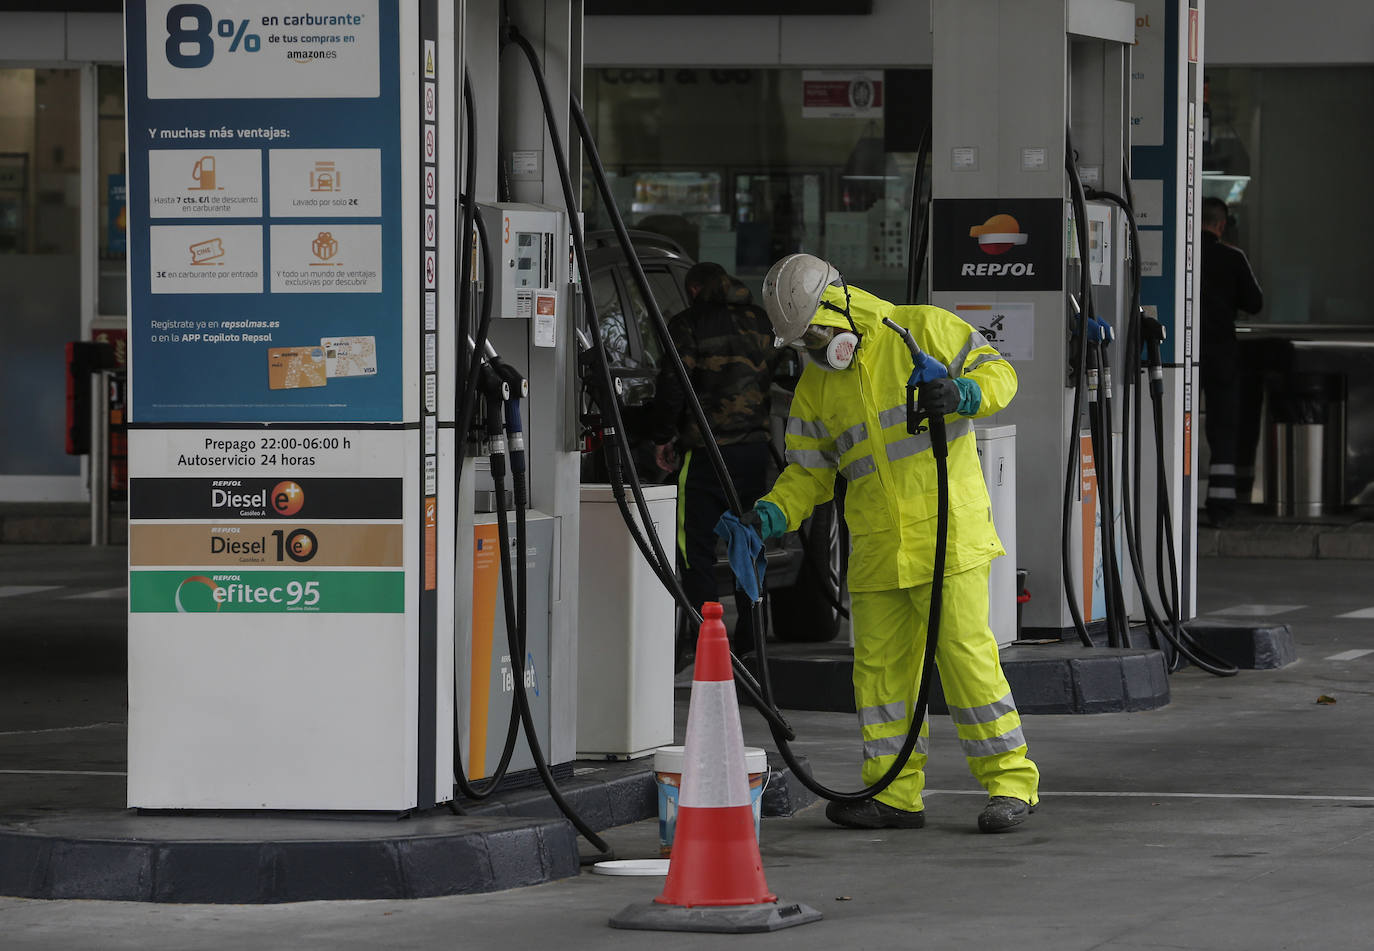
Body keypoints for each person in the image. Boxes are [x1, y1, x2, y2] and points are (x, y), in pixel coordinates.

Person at [741, 253, 1038, 833]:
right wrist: (767, 517)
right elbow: (808, 474)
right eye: (804, 342)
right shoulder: (816, 388)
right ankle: (894, 794)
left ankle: (1011, 784)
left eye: (819, 333)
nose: (816, 347)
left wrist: (962, 394)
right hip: (878, 548)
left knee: (966, 663)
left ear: (839, 306)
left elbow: (1001, 374)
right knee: (880, 677)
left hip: (946, 537)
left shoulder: (923, 329)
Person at [649, 261, 779, 656]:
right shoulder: (761, 320)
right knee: (749, 538)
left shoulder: (689, 324)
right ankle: (752, 635)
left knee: (695, 546)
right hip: (754, 450)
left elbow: (674, 384)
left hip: (706, 452)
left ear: (693, 290)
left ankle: (708, 634)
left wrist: (662, 437)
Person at [1199, 197, 1263, 525]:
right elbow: (1255, 302)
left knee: (1174, 420)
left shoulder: (1186, 256)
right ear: (1222, 225)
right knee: (1223, 427)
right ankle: (1221, 505)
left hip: (1185, 355)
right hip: (1222, 353)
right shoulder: (1232, 257)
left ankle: (1173, 496)